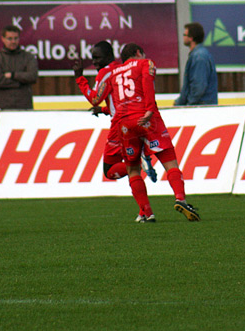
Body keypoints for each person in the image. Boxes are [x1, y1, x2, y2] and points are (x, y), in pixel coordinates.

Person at [90, 43, 200, 222]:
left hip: (125, 123)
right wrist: (149, 110)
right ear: (138, 53)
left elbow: (111, 101)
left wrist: (100, 107)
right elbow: (147, 83)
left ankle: (147, 213)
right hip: (146, 119)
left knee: (132, 170)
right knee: (169, 161)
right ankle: (181, 199)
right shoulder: (145, 63)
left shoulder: (114, 73)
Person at [73, 41, 158, 222]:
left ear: (109, 56)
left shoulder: (106, 72)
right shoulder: (123, 69)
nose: (95, 62)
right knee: (132, 169)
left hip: (120, 127)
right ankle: (145, 212)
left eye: (98, 58)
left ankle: (145, 204)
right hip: (139, 121)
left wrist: (79, 78)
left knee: (110, 170)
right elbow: (122, 99)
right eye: (93, 58)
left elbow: (95, 98)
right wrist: (104, 110)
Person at [0, 25, 39, 110]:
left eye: (16, 38)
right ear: (3, 39)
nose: (13, 41)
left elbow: (33, 76)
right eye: (9, 38)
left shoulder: (28, 57)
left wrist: (13, 75)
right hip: (3, 107)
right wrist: (20, 83)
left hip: (24, 106)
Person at [174, 22, 218, 106]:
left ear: (191, 38)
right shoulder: (199, 55)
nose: (183, 37)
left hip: (201, 107)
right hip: (202, 105)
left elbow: (199, 86)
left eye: (184, 35)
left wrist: (189, 104)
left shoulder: (199, 57)